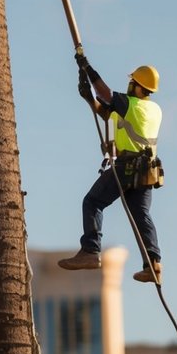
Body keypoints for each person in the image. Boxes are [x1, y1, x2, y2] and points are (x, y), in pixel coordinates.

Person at [58, 56, 165, 284]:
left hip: (128, 167)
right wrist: (89, 99)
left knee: (93, 202)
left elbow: (106, 95)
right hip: (146, 170)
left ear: (137, 86)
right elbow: (107, 112)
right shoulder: (151, 109)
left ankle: (90, 251)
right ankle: (153, 264)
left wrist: (88, 69)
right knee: (141, 216)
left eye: (132, 82)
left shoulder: (132, 105)